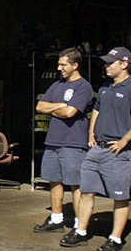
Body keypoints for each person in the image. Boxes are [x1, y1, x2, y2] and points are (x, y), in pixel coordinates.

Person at [59, 46, 131, 251]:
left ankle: (116, 238)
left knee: (119, 196)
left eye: (110, 63)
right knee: (86, 191)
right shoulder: (105, 87)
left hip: (119, 152)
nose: (106, 66)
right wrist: (91, 134)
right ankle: (81, 231)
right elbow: (97, 108)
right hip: (97, 150)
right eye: (105, 62)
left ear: (124, 64)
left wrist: (125, 140)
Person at [33, 48, 93, 234]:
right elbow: (39, 106)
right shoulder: (56, 85)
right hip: (53, 141)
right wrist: (60, 105)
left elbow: (70, 113)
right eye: (59, 64)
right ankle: (57, 219)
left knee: (76, 184)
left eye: (63, 65)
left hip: (73, 143)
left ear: (75, 65)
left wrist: (58, 109)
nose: (60, 68)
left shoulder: (84, 87)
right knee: (54, 180)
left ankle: (78, 224)